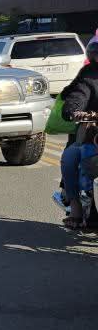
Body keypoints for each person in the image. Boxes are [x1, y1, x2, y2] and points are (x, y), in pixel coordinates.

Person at [59, 41, 98, 227]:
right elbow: (78, 95)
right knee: (71, 156)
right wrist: (75, 110)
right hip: (94, 134)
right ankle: (78, 209)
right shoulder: (90, 76)